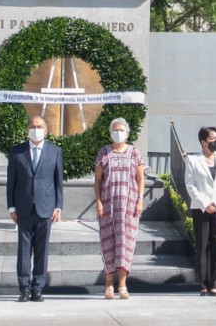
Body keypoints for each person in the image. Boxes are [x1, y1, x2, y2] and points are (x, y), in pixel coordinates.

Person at [6, 114, 64, 302]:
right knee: (24, 250)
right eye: (32, 126)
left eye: (39, 126)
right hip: (23, 208)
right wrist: (11, 207)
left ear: (46, 131)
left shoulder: (55, 151)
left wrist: (58, 206)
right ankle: (24, 288)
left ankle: (37, 288)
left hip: (46, 208)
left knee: (42, 250)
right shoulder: (17, 151)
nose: (36, 129)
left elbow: (58, 182)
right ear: (27, 130)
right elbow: (11, 182)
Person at [94, 117, 145, 300]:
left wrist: (139, 200)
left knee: (125, 244)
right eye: (115, 130)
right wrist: (98, 201)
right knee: (108, 244)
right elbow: (98, 180)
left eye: (121, 130)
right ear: (110, 132)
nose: (118, 133)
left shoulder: (134, 153)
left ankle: (122, 285)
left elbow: (140, 179)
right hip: (108, 205)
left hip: (129, 206)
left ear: (127, 132)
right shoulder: (104, 153)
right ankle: (108, 284)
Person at [184, 126, 216, 296]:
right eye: (212, 138)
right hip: (201, 208)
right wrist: (205, 203)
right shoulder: (192, 160)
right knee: (202, 244)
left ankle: (215, 283)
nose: (215, 141)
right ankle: (203, 283)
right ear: (203, 142)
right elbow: (190, 185)